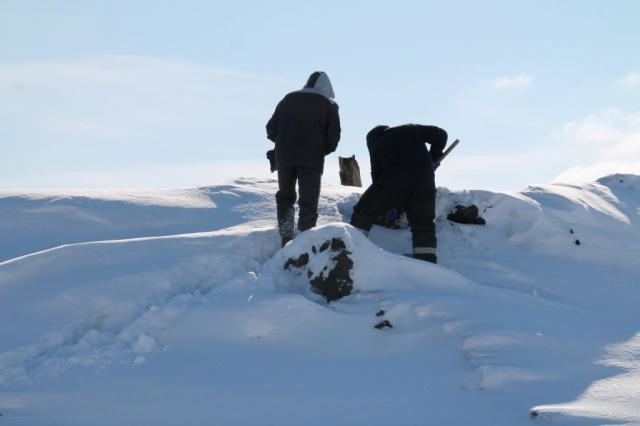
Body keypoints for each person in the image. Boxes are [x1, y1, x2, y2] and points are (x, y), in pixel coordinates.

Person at [349, 124, 447, 263]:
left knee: (365, 210)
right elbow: (441, 135)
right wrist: (433, 157)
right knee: (423, 224)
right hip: (425, 181)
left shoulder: (377, 145)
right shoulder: (411, 129)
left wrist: (388, 203)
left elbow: (377, 176)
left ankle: (351, 249)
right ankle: (426, 261)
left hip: (395, 179)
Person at [266, 71, 341, 247]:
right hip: (312, 158)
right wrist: (320, 150)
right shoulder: (329, 104)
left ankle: (286, 236)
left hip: (284, 157)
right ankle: (304, 239)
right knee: (309, 198)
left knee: (285, 195)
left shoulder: (288, 98)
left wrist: (284, 144)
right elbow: (333, 137)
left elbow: (271, 128)